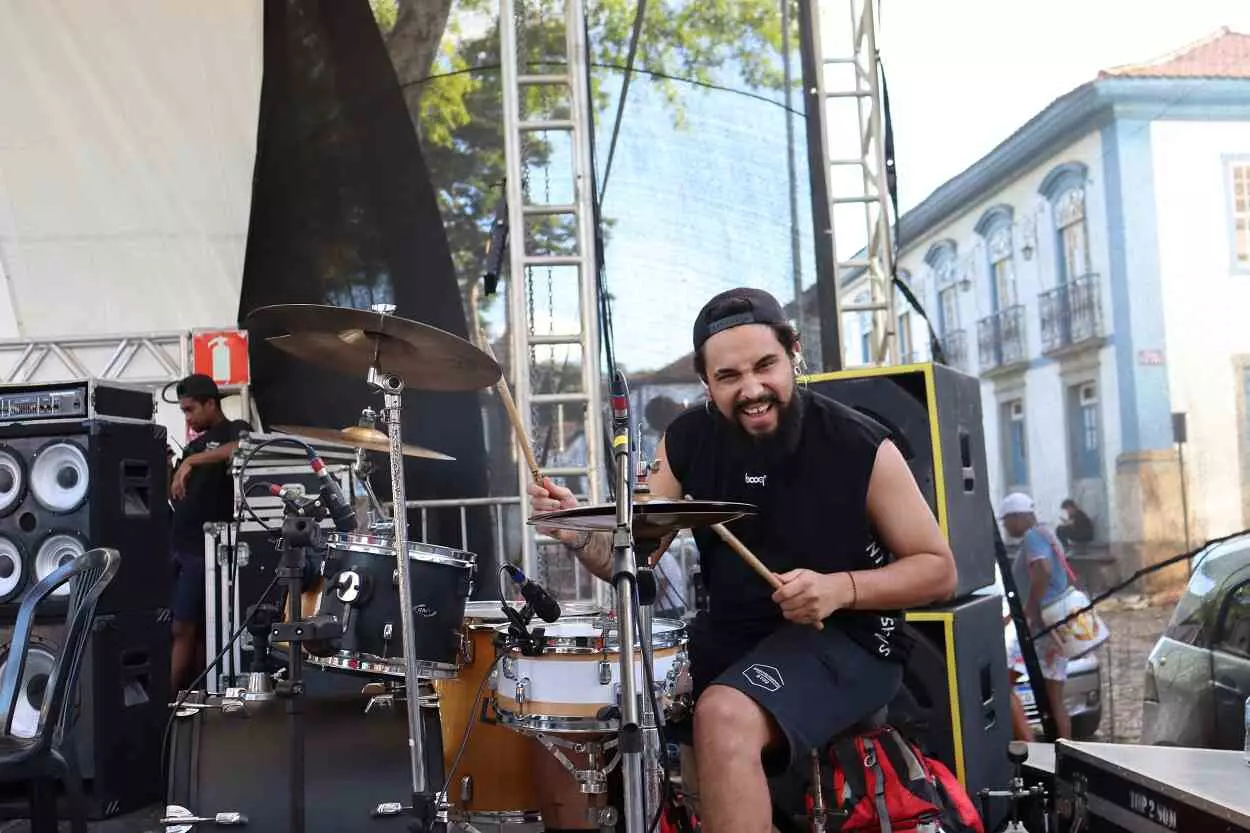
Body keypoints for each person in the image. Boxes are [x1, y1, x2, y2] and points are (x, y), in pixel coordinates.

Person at [528, 288, 958, 833]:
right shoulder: (687, 438)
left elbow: (938, 569)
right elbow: (635, 554)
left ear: (793, 353)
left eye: (765, 366)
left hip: (848, 636)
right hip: (734, 636)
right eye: (729, 377)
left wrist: (840, 588)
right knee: (573, 701)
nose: (753, 390)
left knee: (723, 715)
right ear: (706, 383)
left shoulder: (859, 444)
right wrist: (579, 533)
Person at [169, 374, 251, 692]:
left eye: (191, 410)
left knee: (185, 626)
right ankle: (191, 692)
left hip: (203, 548)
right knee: (184, 626)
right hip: (178, 542)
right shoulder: (193, 443)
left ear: (210, 403)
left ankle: (170, 700)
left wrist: (192, 461)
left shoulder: (234, 428)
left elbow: (241, 448)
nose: (188, 418)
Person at [999, 491, 1072, 740]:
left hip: (1042, 626)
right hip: (1054, 624)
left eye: (1006, 520)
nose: (1006, 526)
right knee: (1054, 698)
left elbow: (1042, 571)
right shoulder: (1047, 533)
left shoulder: (1032, 537)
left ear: (1018, 517)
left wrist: (1028, 613)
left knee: (1004, 684)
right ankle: (1059, 750)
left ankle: (1031, 748)